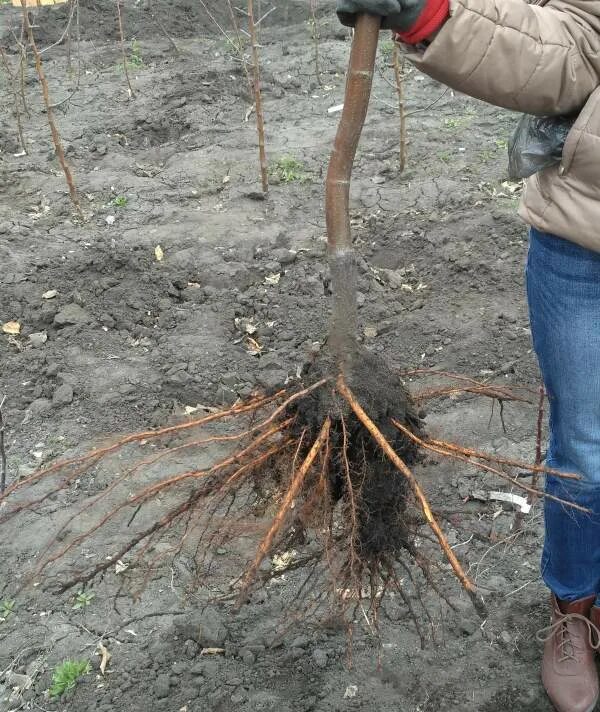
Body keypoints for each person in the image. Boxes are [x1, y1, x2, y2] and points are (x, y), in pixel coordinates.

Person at [335, 1, 600, 711]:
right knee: (586, 449)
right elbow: (571, 48)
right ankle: (575, 609)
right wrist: (432, 17)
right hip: (587, 245)